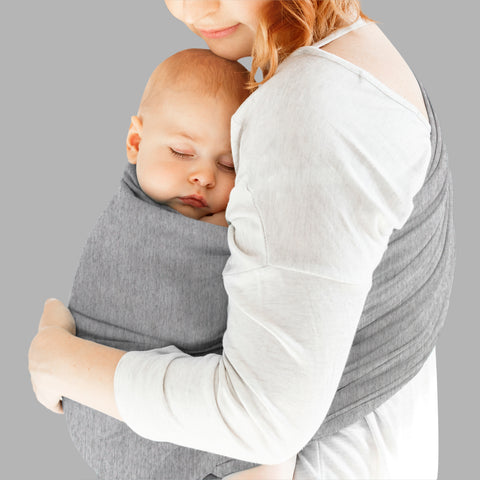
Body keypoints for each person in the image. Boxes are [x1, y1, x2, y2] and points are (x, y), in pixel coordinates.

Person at [29, 1, 455, 479]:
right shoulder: (345, 56)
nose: (189, 8)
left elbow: (262, 418)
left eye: (228, 164)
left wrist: (58, 361)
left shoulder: (310, 107)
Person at [61, 48, 296, 479]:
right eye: (182, 152)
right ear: (136, 143)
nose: (204, 176)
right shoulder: (129, 217)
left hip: (153, 405)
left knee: (277, 438)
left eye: (228, 165)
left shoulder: (227, 215)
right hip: (105, 401)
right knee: (273, 444)